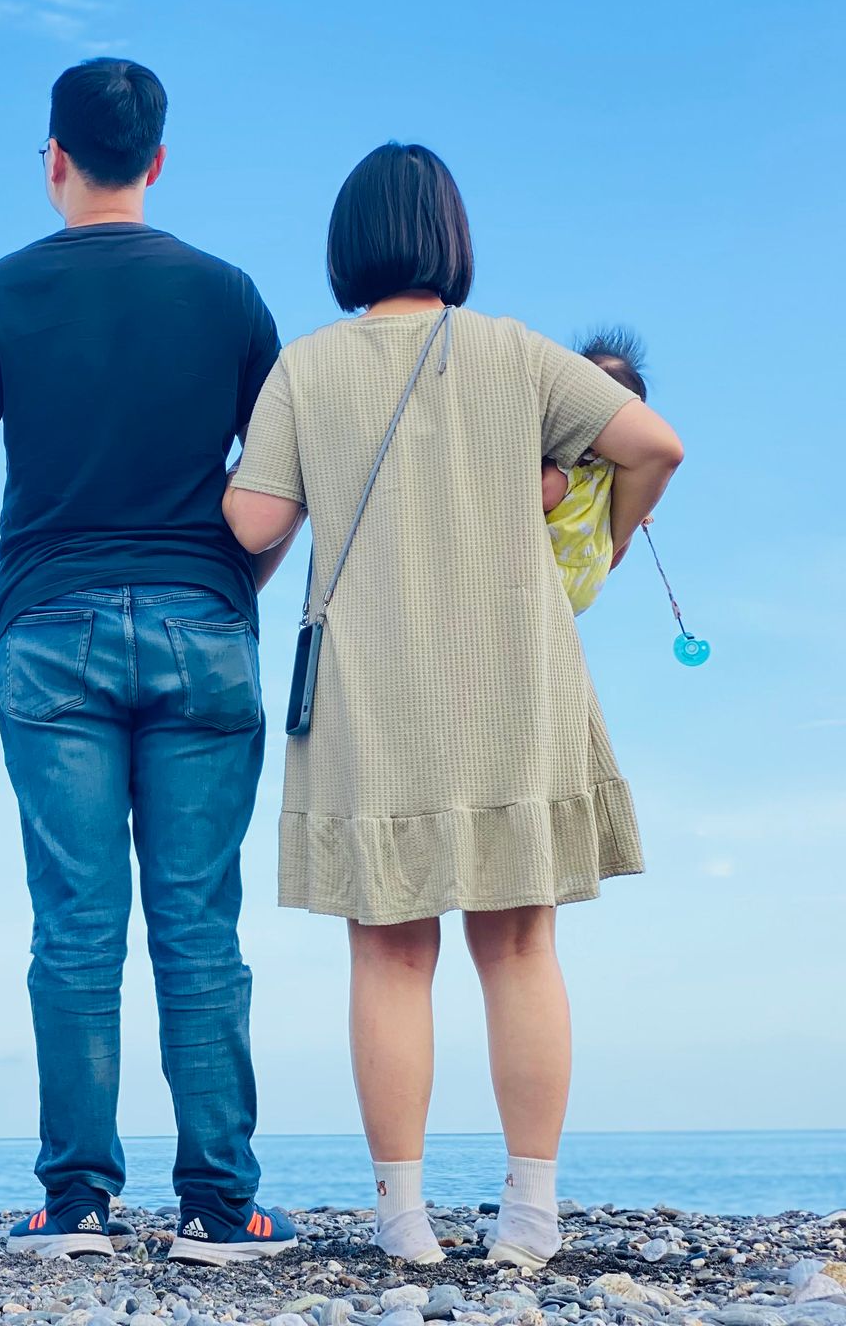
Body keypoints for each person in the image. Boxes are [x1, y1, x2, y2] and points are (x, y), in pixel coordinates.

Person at [224, 143, 685, 1270]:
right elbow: (654, 445)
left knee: (389, 955)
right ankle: (530, 1217)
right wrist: (603, 547)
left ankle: (404, 1221)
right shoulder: (513, 352)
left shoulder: (309, 366)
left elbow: (252, 524)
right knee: (519, 947)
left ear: (347, 244)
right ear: (452, 238)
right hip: (514, 678)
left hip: (373, 688)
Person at [0, 58, 299, 1264]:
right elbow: (283, 487)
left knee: (75, 923)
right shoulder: (230, 296)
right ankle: (221, 1208)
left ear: (56, 161)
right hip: (204, 626)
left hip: (50, 627)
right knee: (198, 923)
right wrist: (228, 587)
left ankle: (75, 1203)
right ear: (158, 161)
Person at [541, 328, 653, 612]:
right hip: (586, 584)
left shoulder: (569, 459)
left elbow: (547, 495)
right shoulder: (619, 474)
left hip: (549, 571)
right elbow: (618, 549)